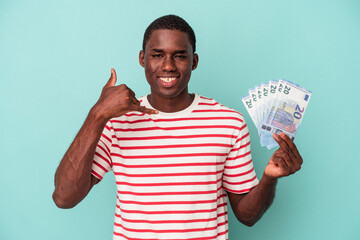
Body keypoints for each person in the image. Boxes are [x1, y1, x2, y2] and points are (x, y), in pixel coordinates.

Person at [53, 15, 303, 240]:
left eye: (180, 55)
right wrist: (97, 114)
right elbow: (64, 197)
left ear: (194, 61)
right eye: (157, 54)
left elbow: (247, 217)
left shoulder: (228, 123)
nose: (168, 66)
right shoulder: (117, 123)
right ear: (143, 59)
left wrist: (269, 179)